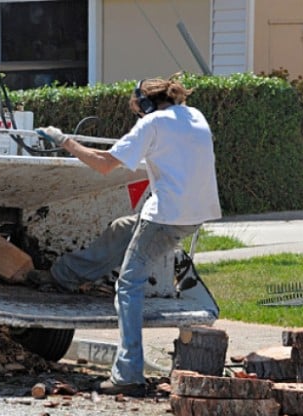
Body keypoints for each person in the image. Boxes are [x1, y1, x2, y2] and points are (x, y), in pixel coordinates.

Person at [32, 76, 222, 396]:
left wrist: (64, 140)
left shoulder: (153, 124)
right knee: (123, 228)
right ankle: (64, 275)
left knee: (129, 285)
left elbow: (105, 165)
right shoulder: (195, 116)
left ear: (146, 105)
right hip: (196, 215)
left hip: (165, 216)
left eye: (138, 108)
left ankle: (128, 374)